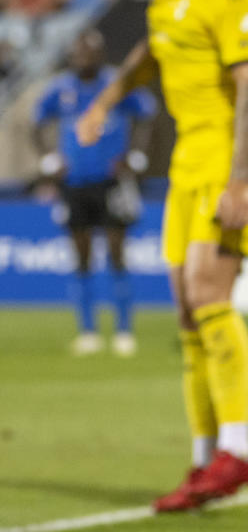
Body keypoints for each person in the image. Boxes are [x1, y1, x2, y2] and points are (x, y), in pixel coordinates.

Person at [75, 0, 248, 511]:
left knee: (208, 295)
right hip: (190, 157)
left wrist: (239, 180)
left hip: (238, 153)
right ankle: (204, 461)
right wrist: (105, 101)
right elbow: (155, 50)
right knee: (186, 313)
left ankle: (238, 450)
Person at [33, 28, 155, 357]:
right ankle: (88, 331)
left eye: (88, 53)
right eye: (77, 53)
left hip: (111, 180)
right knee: (81, 255)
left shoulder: (116, 83)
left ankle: (124, 330)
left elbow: (146, 115)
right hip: (74, 182)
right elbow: (38, 122)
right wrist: (49, 159)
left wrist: (135, 155)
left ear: (100, 55)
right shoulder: (60, 89)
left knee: (117, 252)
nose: (82, 58)